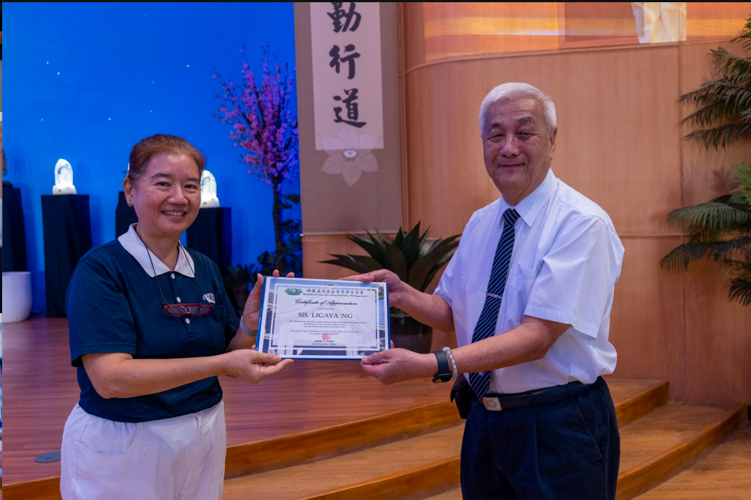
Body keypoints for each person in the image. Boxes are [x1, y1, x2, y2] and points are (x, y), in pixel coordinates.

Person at [353, 83, 624, 499]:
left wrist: (434, 363)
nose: (509, 147)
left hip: (558, 425)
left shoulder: (581, 223)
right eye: (496, 135)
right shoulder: (482, 222)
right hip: (485, 421)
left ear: (552, 140)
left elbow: (538, 337)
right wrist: (402, 293)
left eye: (524, 132)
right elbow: (451, 310)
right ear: (483, 144)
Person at [61, 134, 292, 500]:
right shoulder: (101, 270)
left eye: (190, 186)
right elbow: (111, 379)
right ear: (130, 190)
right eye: (163, 184)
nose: (179, 198)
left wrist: (249, 324)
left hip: (205, 429)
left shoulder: (204, 267)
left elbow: (229, 353)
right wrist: (222, 361)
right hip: (128, 440)